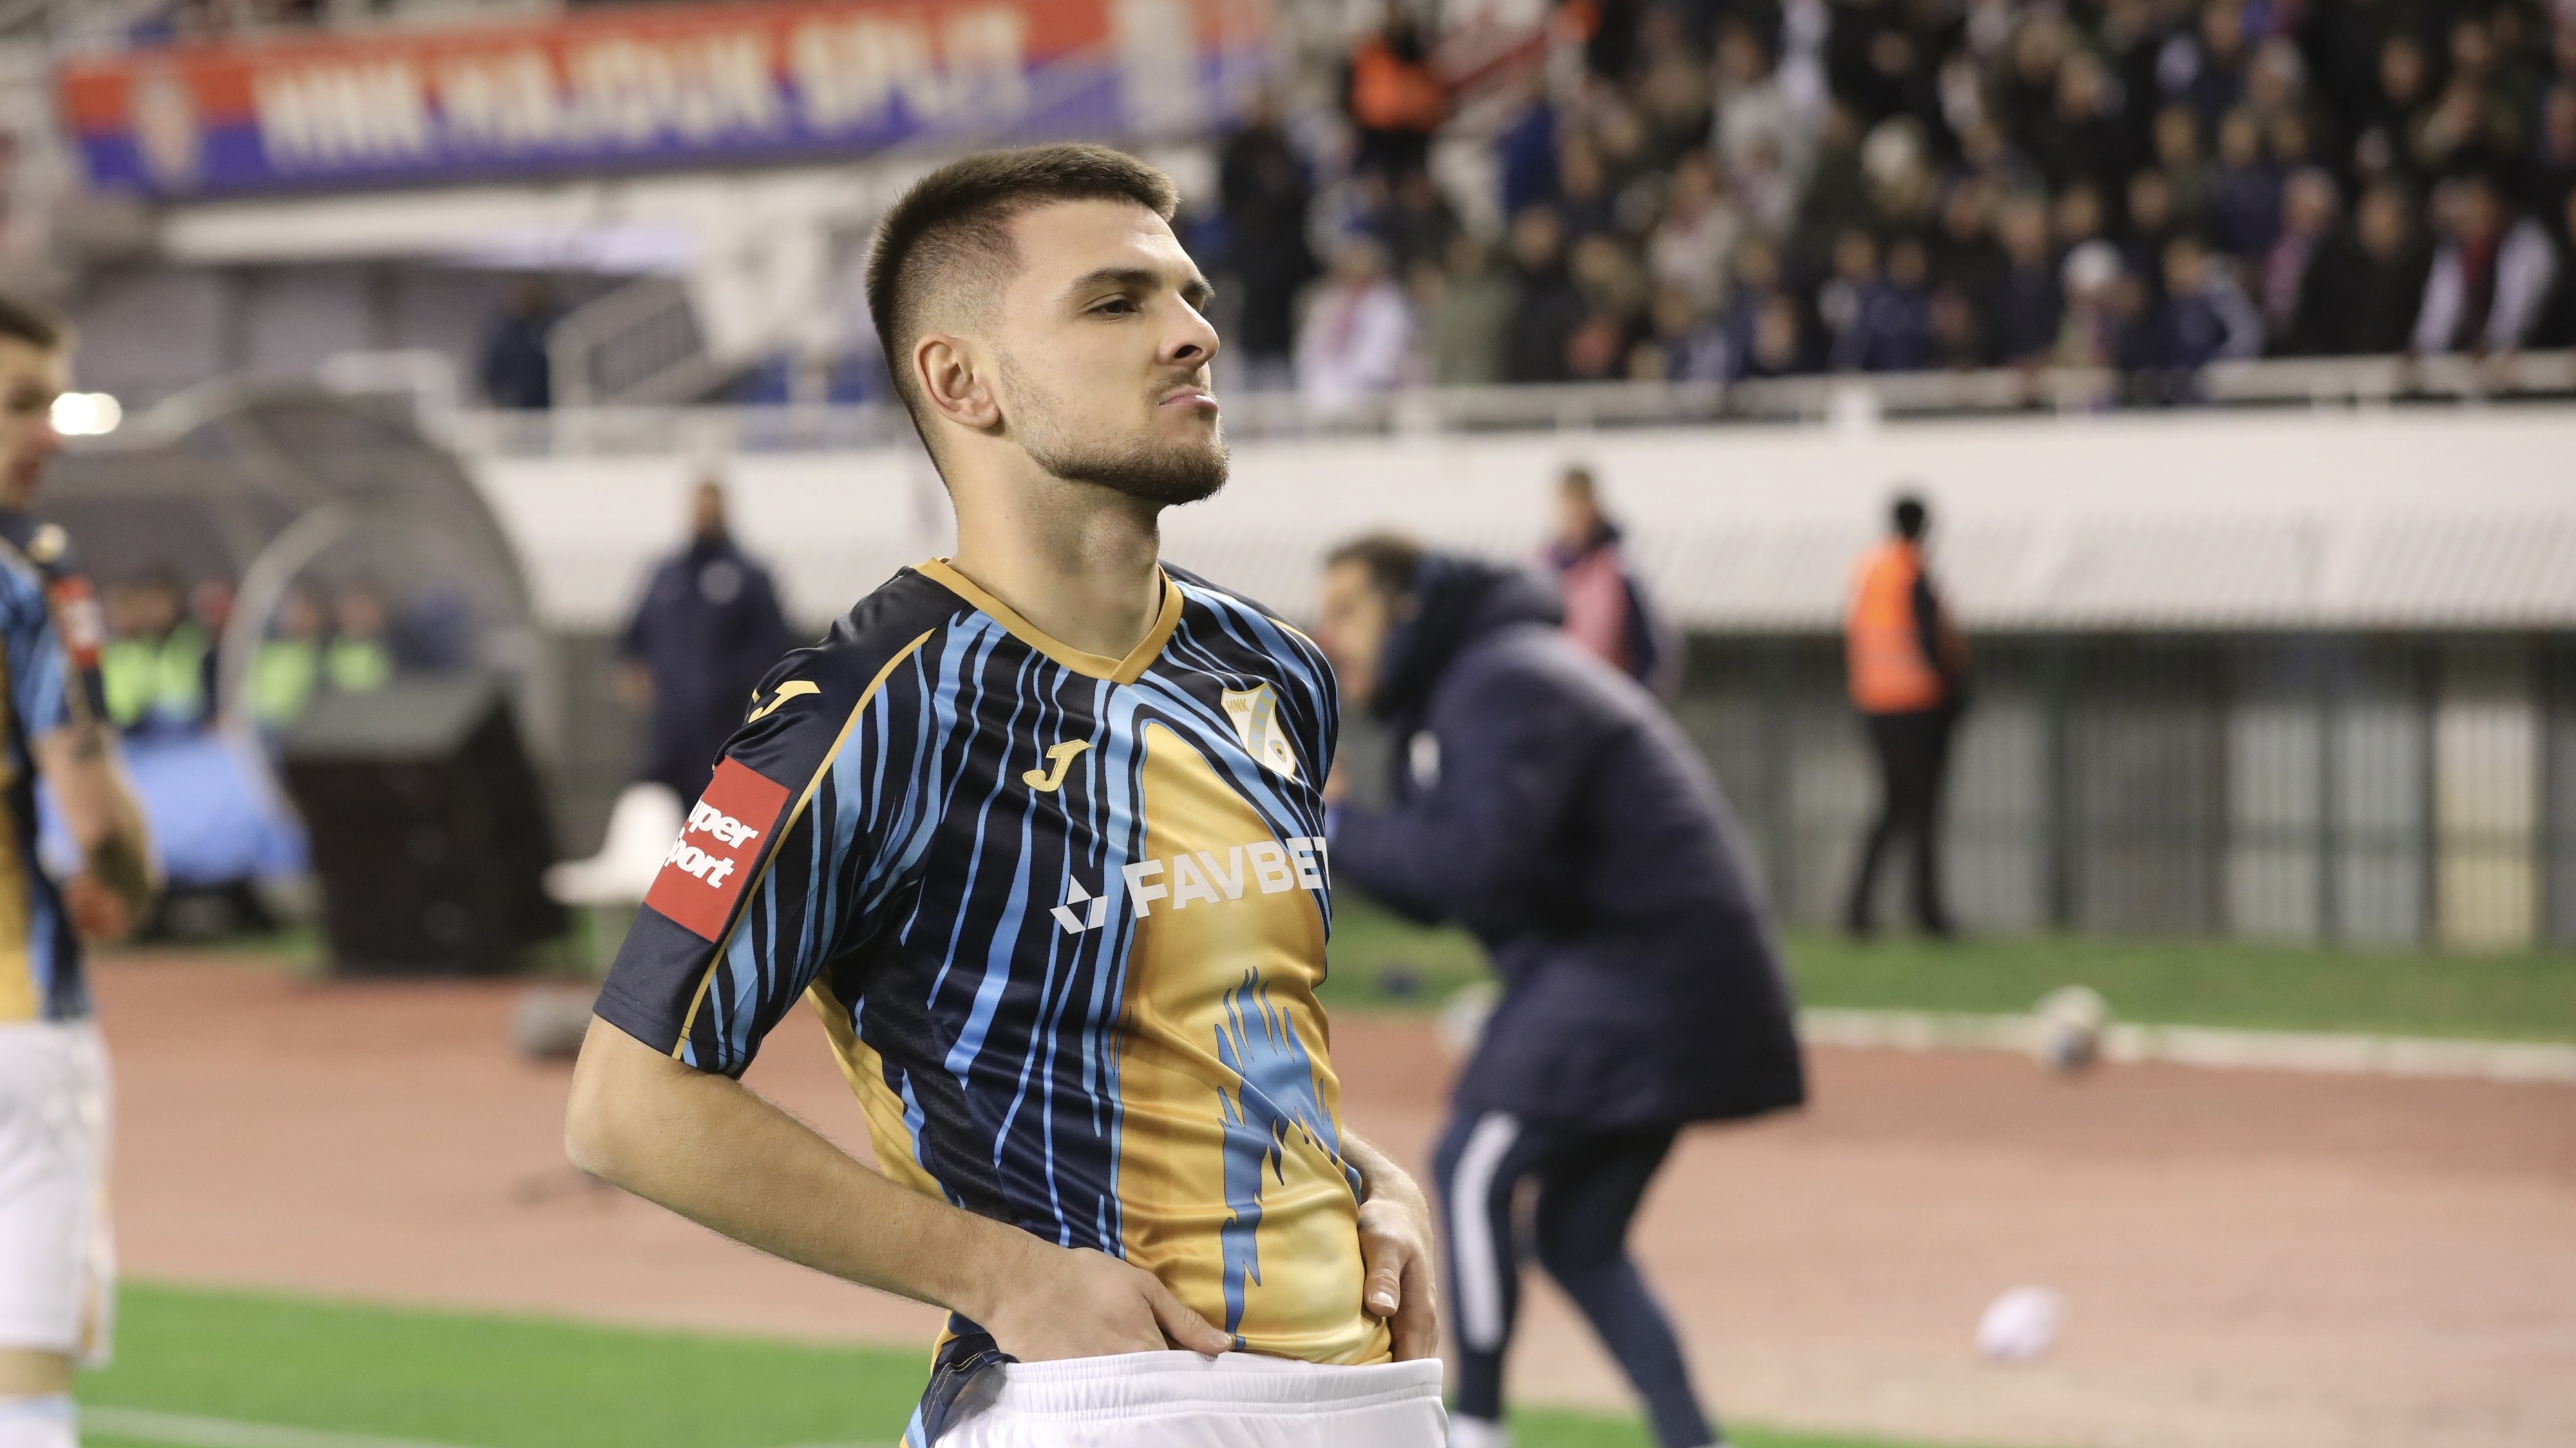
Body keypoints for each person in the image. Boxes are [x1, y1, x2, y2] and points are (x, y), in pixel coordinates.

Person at [564, 146, 1443, 1448]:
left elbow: (1206, 1033)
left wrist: (1366, 1176)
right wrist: (1000, 1274)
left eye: (1189, 296)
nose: (1192, 333)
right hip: (1106, 1399)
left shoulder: (1271, 668)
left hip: (1372, 1397)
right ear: (958, 379)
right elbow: (626, 1102)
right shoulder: (864, 706)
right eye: (1116, 302)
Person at [1314, 535, 1804, 1448]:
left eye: (1347, 610)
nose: (1328, 634)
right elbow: (1444, 878)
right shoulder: (1485, 679)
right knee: (1578, 1235)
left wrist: (1335, 817)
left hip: (1641, 972)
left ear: (1408, 609)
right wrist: (1337, 822)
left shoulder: (1499, 681)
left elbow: (1472, 867)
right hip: (1659, 977)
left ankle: (1476, 1426)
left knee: (1471, 1163)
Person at [0, 292, 159, 1448]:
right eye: (22, 403)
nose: (49, 432)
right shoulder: (29, 581)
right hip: (16, 1022)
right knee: (25, 1395)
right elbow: (92, 813)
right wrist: (132, 877)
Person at [614, 478, 793, 805]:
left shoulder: (748, 576)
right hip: (669, 736)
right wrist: (636, 674)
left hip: (726, 734)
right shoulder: (667, 574)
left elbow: (774, 647)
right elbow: (634, 638)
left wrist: (738, 692)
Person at [1842, 493, 1967, 940]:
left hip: (1875, 705)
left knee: (1895, 809)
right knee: (1920, 813)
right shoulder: (1911, 572)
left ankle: (1862, 911)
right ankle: (1924, 912)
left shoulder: (1870, 571)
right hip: (1917, 708)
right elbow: (1929, 643)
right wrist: (1957, 694)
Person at [1540, 467, 1675, 694]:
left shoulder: (1617, 569)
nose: (1575, 511)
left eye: (1581, 500)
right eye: (1569, 502)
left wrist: (1632, 695)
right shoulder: (1541, 568)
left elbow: (1649, 650)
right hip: (1557, 697)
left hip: (1605, 694)